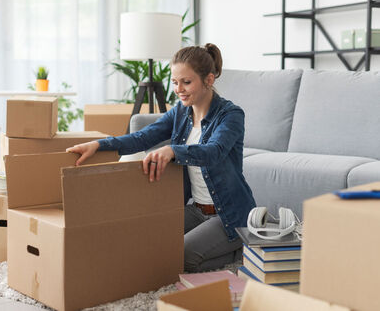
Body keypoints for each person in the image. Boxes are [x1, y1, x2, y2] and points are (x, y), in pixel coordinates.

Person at [67, 43, 256, 272]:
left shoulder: (231, 115)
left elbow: (214, 151)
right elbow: (142, 138)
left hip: (230, 216)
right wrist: (99, 145)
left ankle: (239, 250)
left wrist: (174, 150)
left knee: (180, 256)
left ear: (209, 79)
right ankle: (224, 248)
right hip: (196, 210)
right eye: (175, 82)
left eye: (186, 82)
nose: (179, 89)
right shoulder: (181, 112)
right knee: (148, 241)